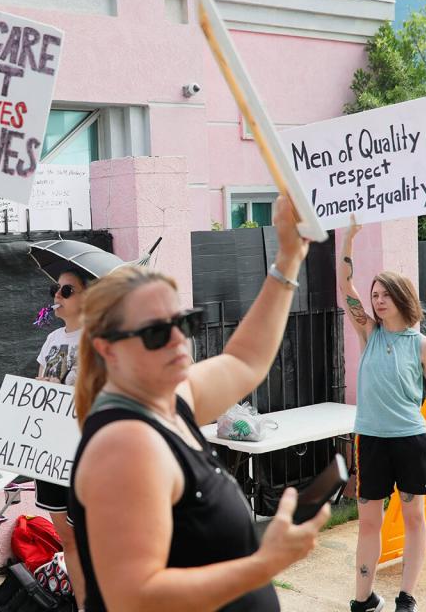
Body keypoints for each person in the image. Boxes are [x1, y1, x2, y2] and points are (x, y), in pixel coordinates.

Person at [68, 195, 329, 612]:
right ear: (108, 349)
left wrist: (289, 257)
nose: (178, 340)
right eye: (156, 332)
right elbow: (133, 598)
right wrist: (265, 563)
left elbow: (244, 360)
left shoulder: (167, 403)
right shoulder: (126, 445)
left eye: (184, 322)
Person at [340, 216, 426, 612]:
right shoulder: (368, 333)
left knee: (413, 520)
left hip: (410, 441)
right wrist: (349, 239)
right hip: (370, 439)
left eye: (385, 294)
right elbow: (345, 286)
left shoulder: (422, 345)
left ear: (401, 297)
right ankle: (363, 599)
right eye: (375, 295)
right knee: (368, 523)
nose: (377, 300)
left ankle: (407, 597)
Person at [33, 268, 90, 606]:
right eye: (56, 288)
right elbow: (38, 387)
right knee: (67, 539)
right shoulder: (53, 340)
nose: (56, 295)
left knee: (89, 537)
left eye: (67, 290)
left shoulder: (100, 340)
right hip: (50, 452)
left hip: (84, 453)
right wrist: (41, 387)